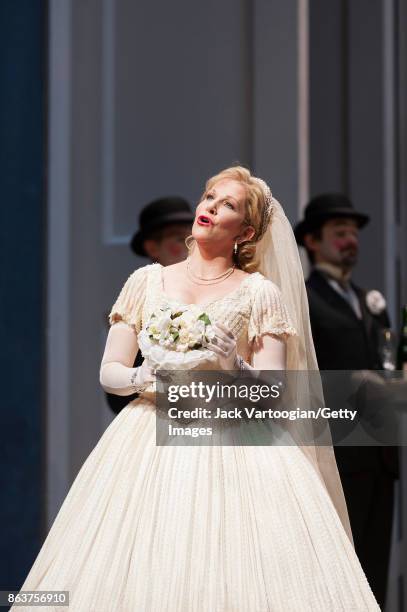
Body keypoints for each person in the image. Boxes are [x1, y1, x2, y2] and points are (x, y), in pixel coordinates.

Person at [12, 168, 380, 611]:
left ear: (245, 232)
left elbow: (275, 390)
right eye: (209, 197)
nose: (210, 207)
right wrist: (142, 377)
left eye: (227, 205)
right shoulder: (148, 282)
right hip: (148, 434)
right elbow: (110, 369)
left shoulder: (259, 293)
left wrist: (236, 367)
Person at [295, 193, 399, 609]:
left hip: (380, 454)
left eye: (354, 233)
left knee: (375, 568)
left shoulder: (372, 303)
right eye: (340, 233)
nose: (350, 240)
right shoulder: (306, 299)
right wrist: (355, 382)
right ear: (313, 241)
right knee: (338, 569)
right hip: (335, 452)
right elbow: (298, 376)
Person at [106, 196, 194, 415]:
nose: (188, 247)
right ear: (152, 247)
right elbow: (116, 394)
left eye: (191, 239)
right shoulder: (141, 297)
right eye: (178, 239)